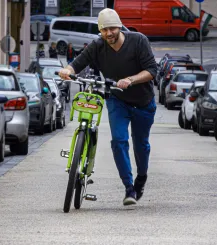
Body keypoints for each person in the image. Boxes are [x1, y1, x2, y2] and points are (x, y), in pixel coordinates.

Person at [59, 8, 157, 206]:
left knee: (141, 145)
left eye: (112, 28)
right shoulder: (97, 46)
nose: (108, 33)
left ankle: (141, 179)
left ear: (119, 27)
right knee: (119, 141)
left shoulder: (138, 41)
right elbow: (77, 63)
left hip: (143, 101)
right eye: (104, 30)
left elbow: (152, 70)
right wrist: (67, 70)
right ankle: (129, 188)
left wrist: (130, 79)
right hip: (117, 100)